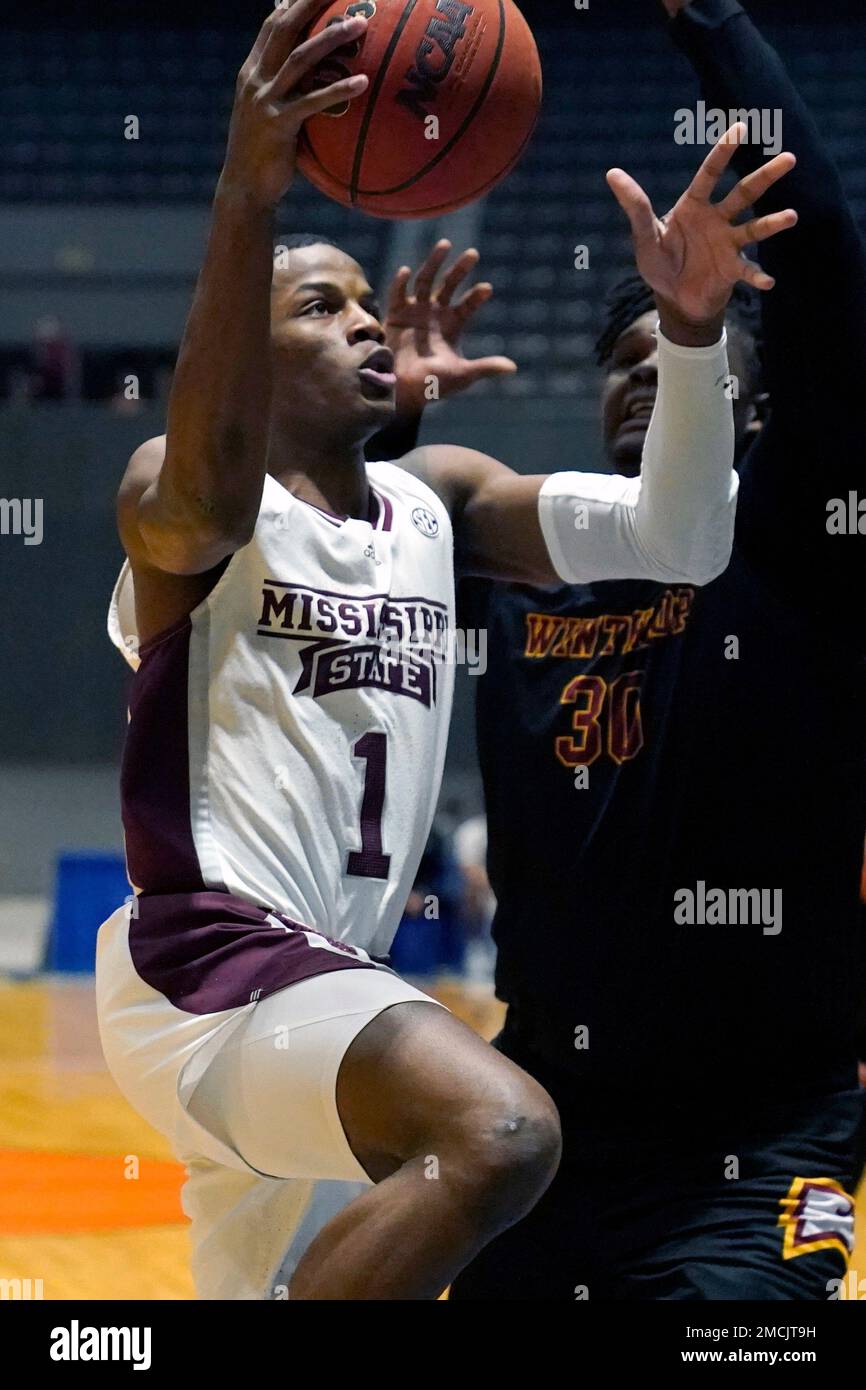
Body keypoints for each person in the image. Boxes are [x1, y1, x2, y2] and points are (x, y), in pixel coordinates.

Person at [94, 0, 795, 1300]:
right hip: (206, 961)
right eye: (320, 307)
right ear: (245, 354)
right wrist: (248, 194)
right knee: (499, 1131)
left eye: (368, 302)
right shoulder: (184, 491)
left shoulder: (438, 503)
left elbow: (681, 536)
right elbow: (199, 486)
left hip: (321, 992)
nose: (367, 320)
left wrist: (691, 337)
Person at [448, 0, 866, 1300]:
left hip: (758, 1141)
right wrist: (384, 418)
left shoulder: (794, 542)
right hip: (542, 1121)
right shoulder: (520, 576)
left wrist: (717, 25)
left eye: (673, 354)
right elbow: (320, 536)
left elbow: (832, 290)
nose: (640, 375)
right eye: (616, 363)